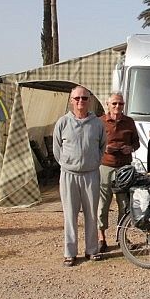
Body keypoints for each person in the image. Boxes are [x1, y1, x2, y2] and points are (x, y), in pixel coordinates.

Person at [53, 86, 106, 267]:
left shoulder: (97, 123)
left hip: (91, 174)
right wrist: (68, 163)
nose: (80, 102)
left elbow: (102, 147)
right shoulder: (63, 122)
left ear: (89, 101)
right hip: (69, 175)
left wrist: (92, 162)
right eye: (77, 98)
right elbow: (56, 149)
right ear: (71, 100)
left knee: (92, 214)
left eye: (84, 98)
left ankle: (92, 250)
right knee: (70, 215)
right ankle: (70, 252)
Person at [97, 92, 140, 253]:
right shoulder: (100, 122)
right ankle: (101, 237)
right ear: (107, 104)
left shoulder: (129, 122)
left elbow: (136, 142)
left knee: (124, 204)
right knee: (103, 203)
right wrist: (104, 148)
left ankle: (122, 236)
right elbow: (94, 142)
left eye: (120, 104)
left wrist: (131, 148)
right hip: (105, 166)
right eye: (114, 103)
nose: (117, 107)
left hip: (124, 168)